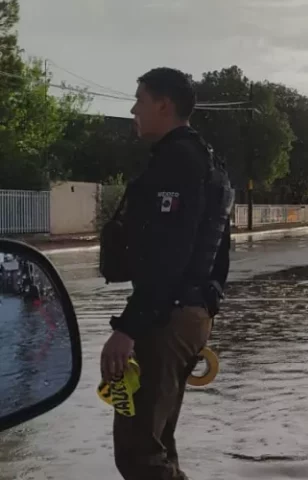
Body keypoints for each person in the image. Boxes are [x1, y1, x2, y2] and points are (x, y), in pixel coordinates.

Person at [99, 67, 234, 479]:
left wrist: (128, 329)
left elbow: (166, 258)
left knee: (138, 452)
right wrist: (206, 301)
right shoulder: (207, 160)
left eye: (139, 100)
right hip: (188, 312)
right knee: (159, 443)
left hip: (168, 317)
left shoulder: (176, 164)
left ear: (163, 105)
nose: (133, 110)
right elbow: (219, 254)